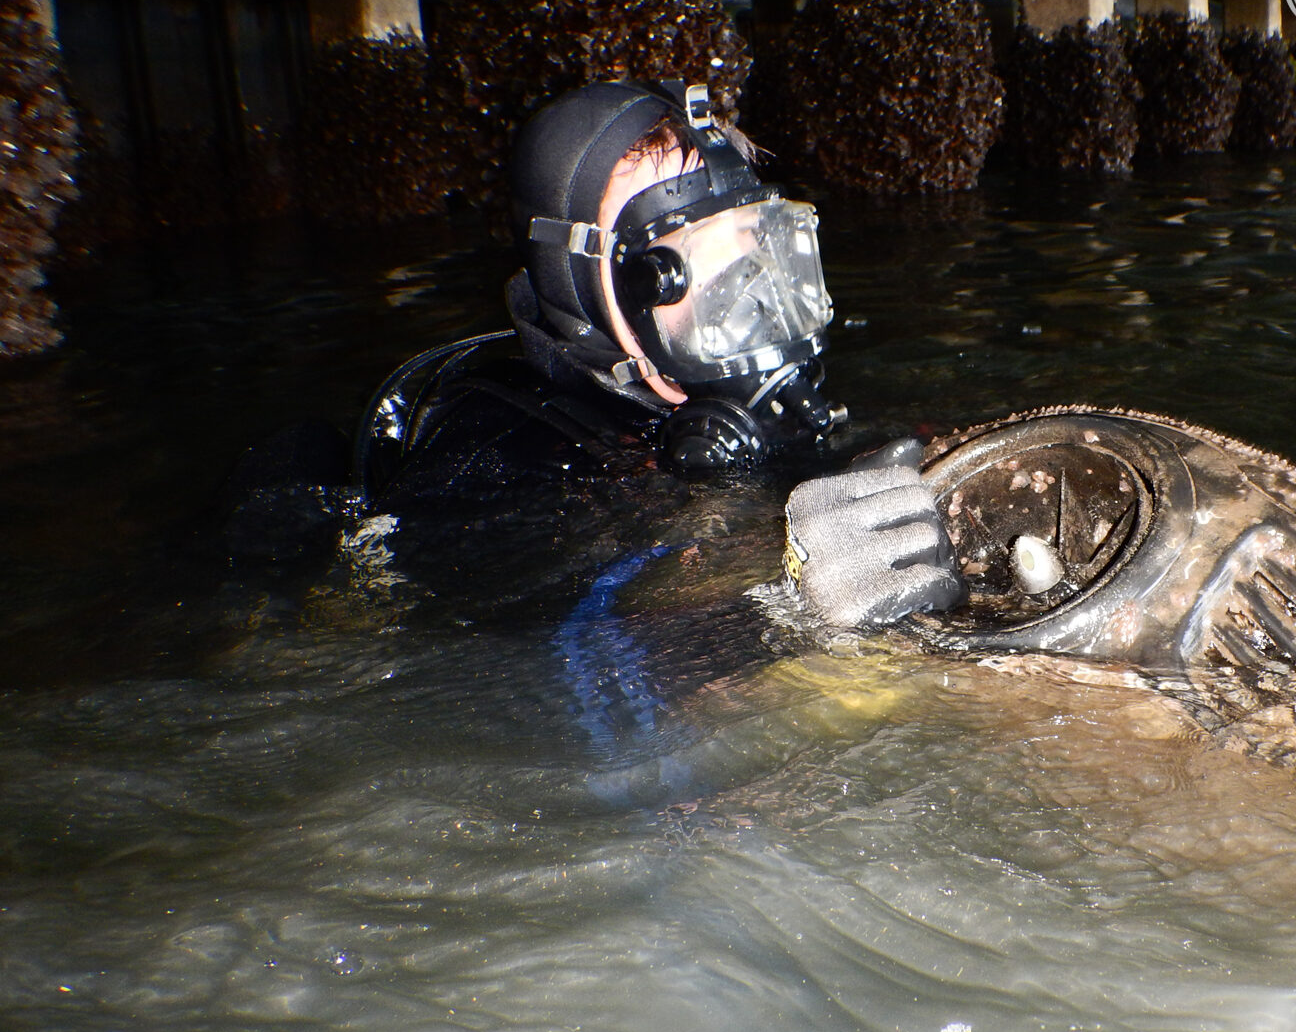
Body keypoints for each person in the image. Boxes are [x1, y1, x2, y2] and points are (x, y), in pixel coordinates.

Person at [231, 79, 964, 630]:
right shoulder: (494, 450)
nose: (746, 294)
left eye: (753, 248)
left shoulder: (758, 409)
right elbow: (517, 630)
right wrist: (783, 581)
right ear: (587, 283)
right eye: (695, 262)